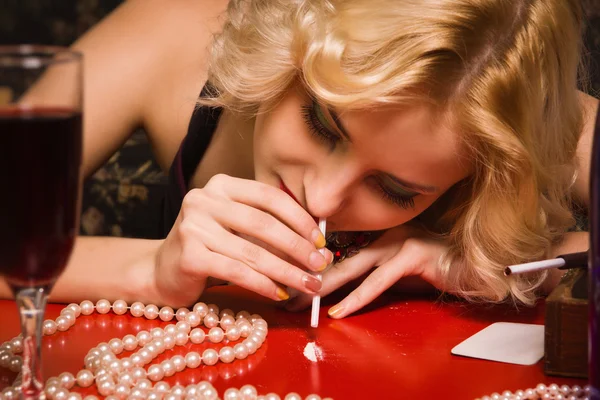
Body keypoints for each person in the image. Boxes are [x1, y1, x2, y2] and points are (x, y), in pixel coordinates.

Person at [0, 0, 598, 320]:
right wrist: (153, 272)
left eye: (396, 189)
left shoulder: (496, 99)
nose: (324, 198)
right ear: (284, 49)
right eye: (321, 123)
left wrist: (496, 263)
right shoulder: (169, 31)